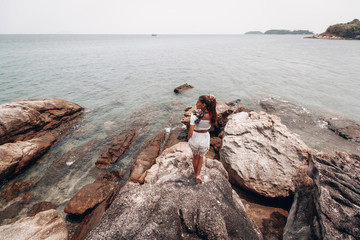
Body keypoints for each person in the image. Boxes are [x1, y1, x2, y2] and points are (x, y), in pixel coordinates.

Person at [187, 95, 217, 183]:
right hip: (205, 138)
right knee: (201, 157)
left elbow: (191, 131)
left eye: (198, 102)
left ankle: (195, 173)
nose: (196, 103)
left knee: (195, 157)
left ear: (203, 105)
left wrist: (188, 138)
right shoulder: (213, 114)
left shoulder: (195, 115)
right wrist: (213, 98)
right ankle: (198, 174)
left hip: (196, 137)